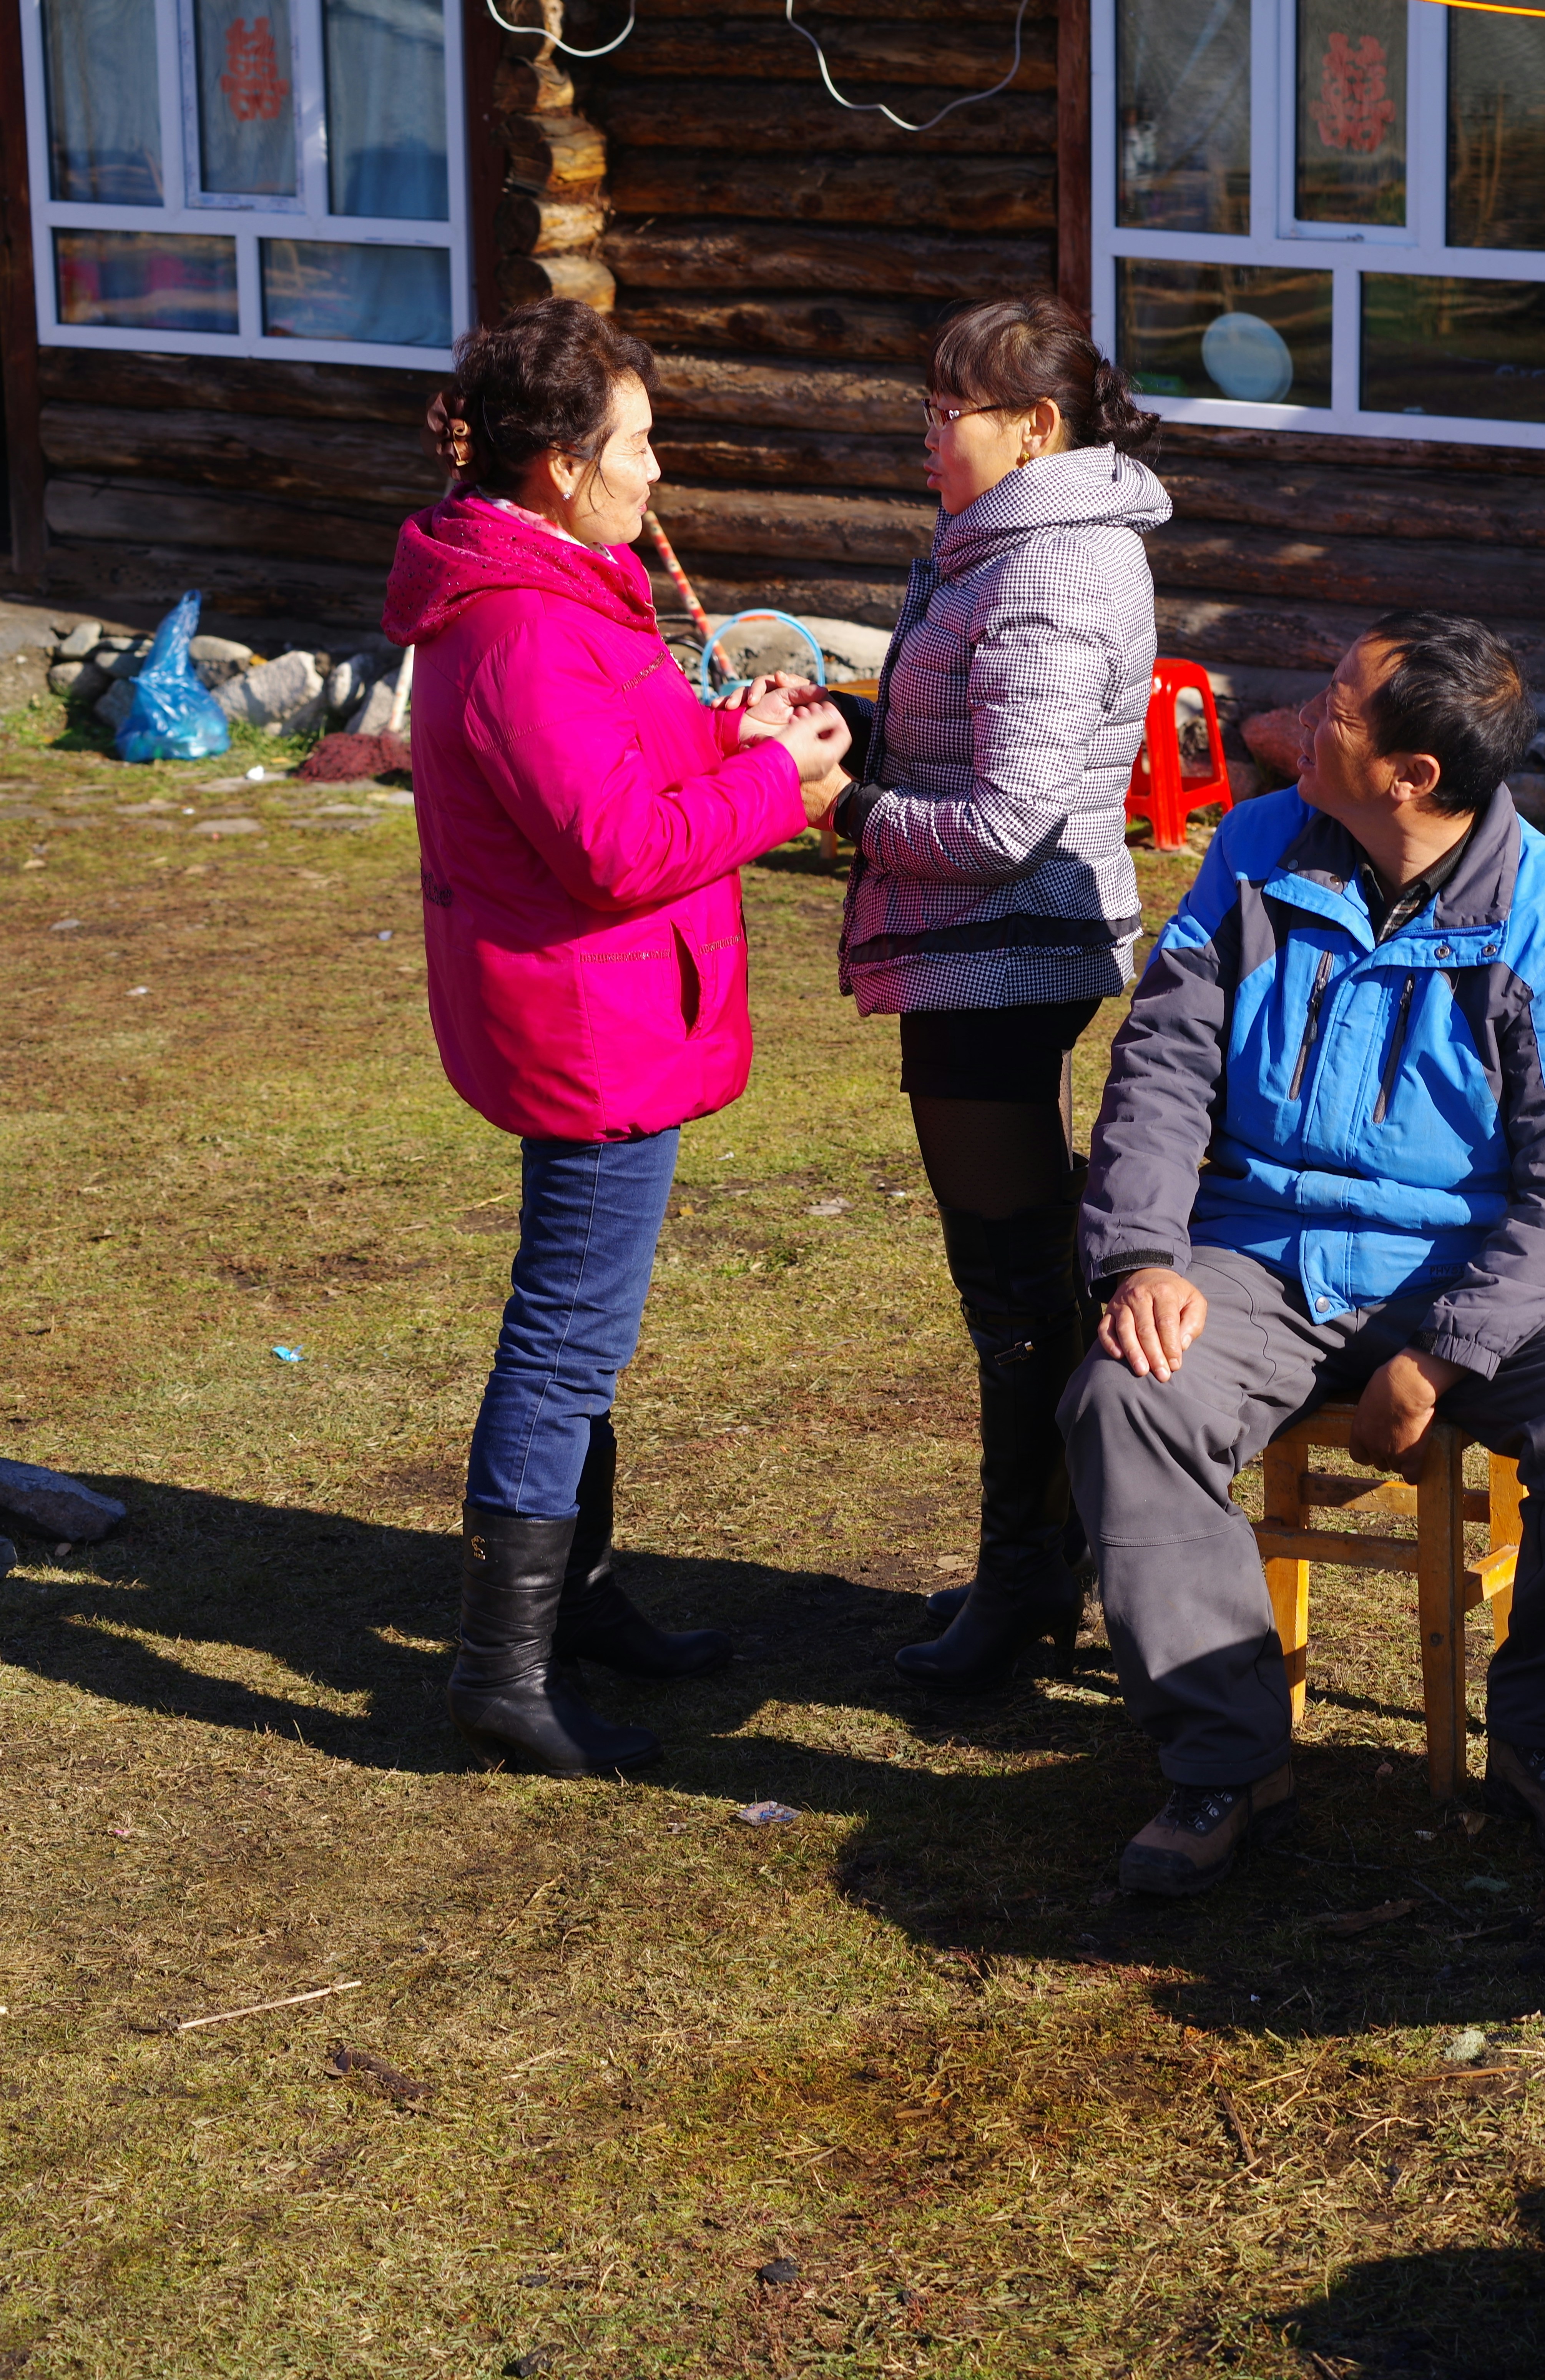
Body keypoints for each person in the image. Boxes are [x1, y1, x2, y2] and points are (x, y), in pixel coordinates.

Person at [1060, 613, 1545, 1896]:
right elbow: (1163, 1068)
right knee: (1126, 1396)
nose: (1301, 714)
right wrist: (1139, 1255)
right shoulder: (1250, 852)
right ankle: (1228, 1759)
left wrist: (1446, 1356)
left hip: (1473, 1264)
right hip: (1261, 1254)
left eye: (1336, 703)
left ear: (1410, 777)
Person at [387, 298, 854, 1777]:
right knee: (565, 1336)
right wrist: (777, 788)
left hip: (614, 1006)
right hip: (586, 1021)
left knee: (584, 1331)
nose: (657, 475)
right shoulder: (524, 625)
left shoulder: (568, 588)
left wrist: (737, 730)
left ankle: (573, 1602)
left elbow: (635, 762)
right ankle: (499, 1667)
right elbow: (612, 845)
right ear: (557, 468)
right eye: (639, 446)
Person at [822, 296, 1174, 1693]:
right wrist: (846, 724)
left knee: (1019, 1281)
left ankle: (1039, 1574)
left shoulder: (1049, 568)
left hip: (1006, 951)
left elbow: (1010, 814)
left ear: (1035, 428)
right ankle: (1055, 1552)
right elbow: (962, 736)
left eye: (945, 410)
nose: (925, 434)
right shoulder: (1000, 547)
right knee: (1023, 1270)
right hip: (978, 949)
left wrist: (838, 805)